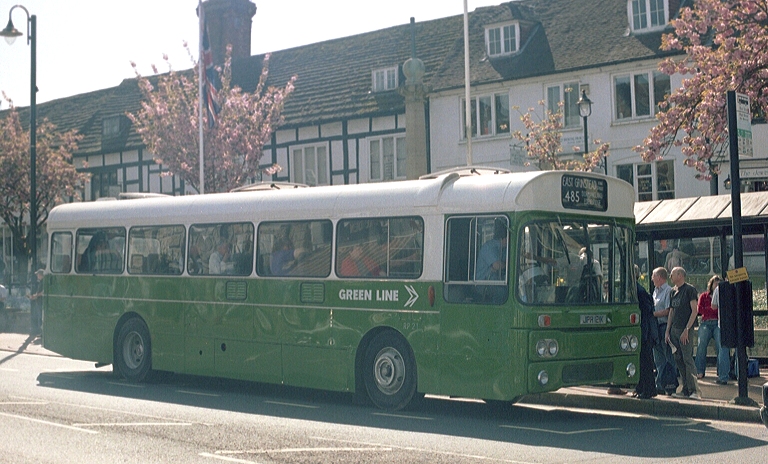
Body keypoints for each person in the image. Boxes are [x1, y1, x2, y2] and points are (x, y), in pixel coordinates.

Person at [665, 266, 701, 400]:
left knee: (687, 359)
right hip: (674, 329)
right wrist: (667, 331)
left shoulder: (689, 290)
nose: (670, 276)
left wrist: (687, 329)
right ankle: (685, 388)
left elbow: (694, 311)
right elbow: (671, 311)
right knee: (678, 359)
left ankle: (694, 389)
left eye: (673, 274)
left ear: (680, 275)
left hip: (685, 329)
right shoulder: (672, 291)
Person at [651, 266, 678, 395]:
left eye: (653, 276)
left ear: (659, 277)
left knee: (668, 356)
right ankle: (660, 384)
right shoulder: (655, 291)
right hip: (655, 327)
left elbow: (668, 311)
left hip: (664, 326)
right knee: (658, 357)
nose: (652, 279)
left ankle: (670, 383)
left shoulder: (668, 291)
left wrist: (653, 314)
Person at [634, 265, 658, 399]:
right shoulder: (638, 289)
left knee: (645, 361)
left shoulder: (639, 290)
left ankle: (648, 389)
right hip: (643, 329)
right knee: (643, 361)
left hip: (644, 330)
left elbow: (647, 310)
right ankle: (642, 387)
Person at [707, 279, 732, 385]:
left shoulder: (719, 288)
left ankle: (723, 377)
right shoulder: (739, 286)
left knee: (723, 350)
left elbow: (714, 306)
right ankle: (741, 375)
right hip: (739, 323)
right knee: (740, 350)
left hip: (724, 323)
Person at [28, 269, 44, 336]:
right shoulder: (41, 282)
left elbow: (43, 292)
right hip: (39, 301)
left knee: (41, 317)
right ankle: (41, 332)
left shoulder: (43, 282)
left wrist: (35, 295)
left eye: (38, 274)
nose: (37, 276)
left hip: (41, 302)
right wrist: (34, 296)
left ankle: (42, 332)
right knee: (40, 317)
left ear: (40, 275)